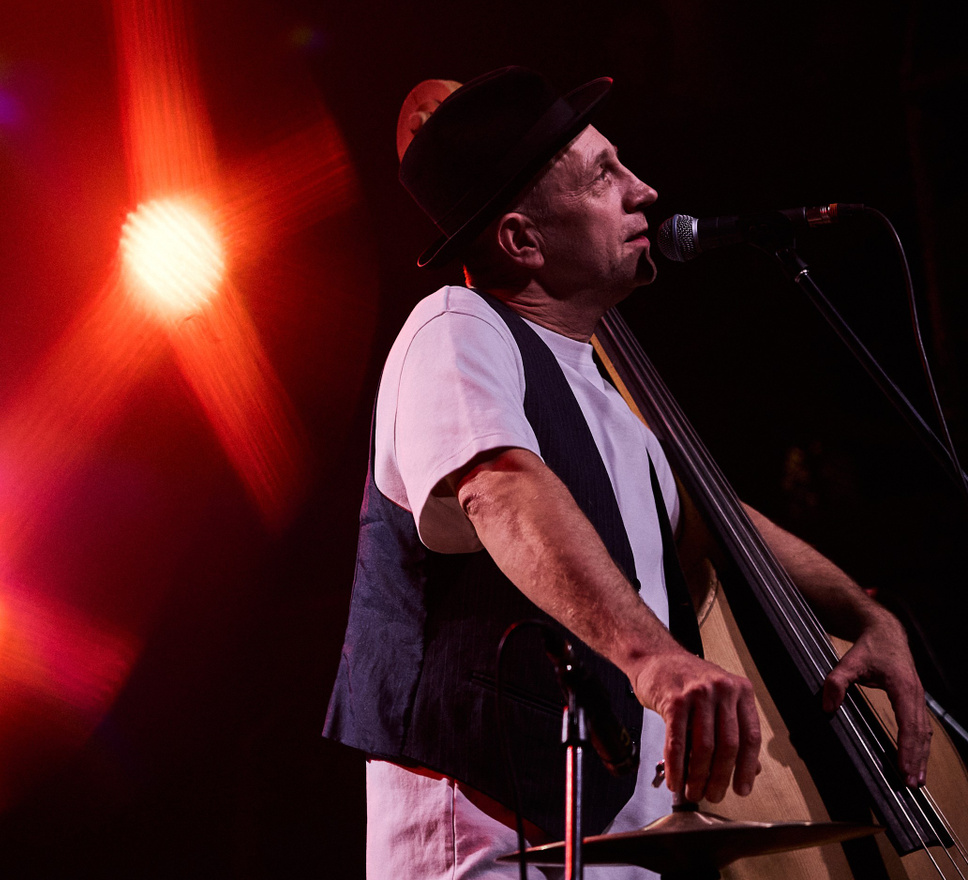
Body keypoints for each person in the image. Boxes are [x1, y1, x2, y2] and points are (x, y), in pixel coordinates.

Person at [323, 67, 931, 878]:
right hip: (492, 845)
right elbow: (501, 488)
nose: (644, 190)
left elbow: (725, 524)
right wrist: (655, 660)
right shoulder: (456, 326)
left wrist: (867, 615)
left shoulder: (617, 412)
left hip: (613, 842)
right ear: (522, 240)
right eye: (603, 175)